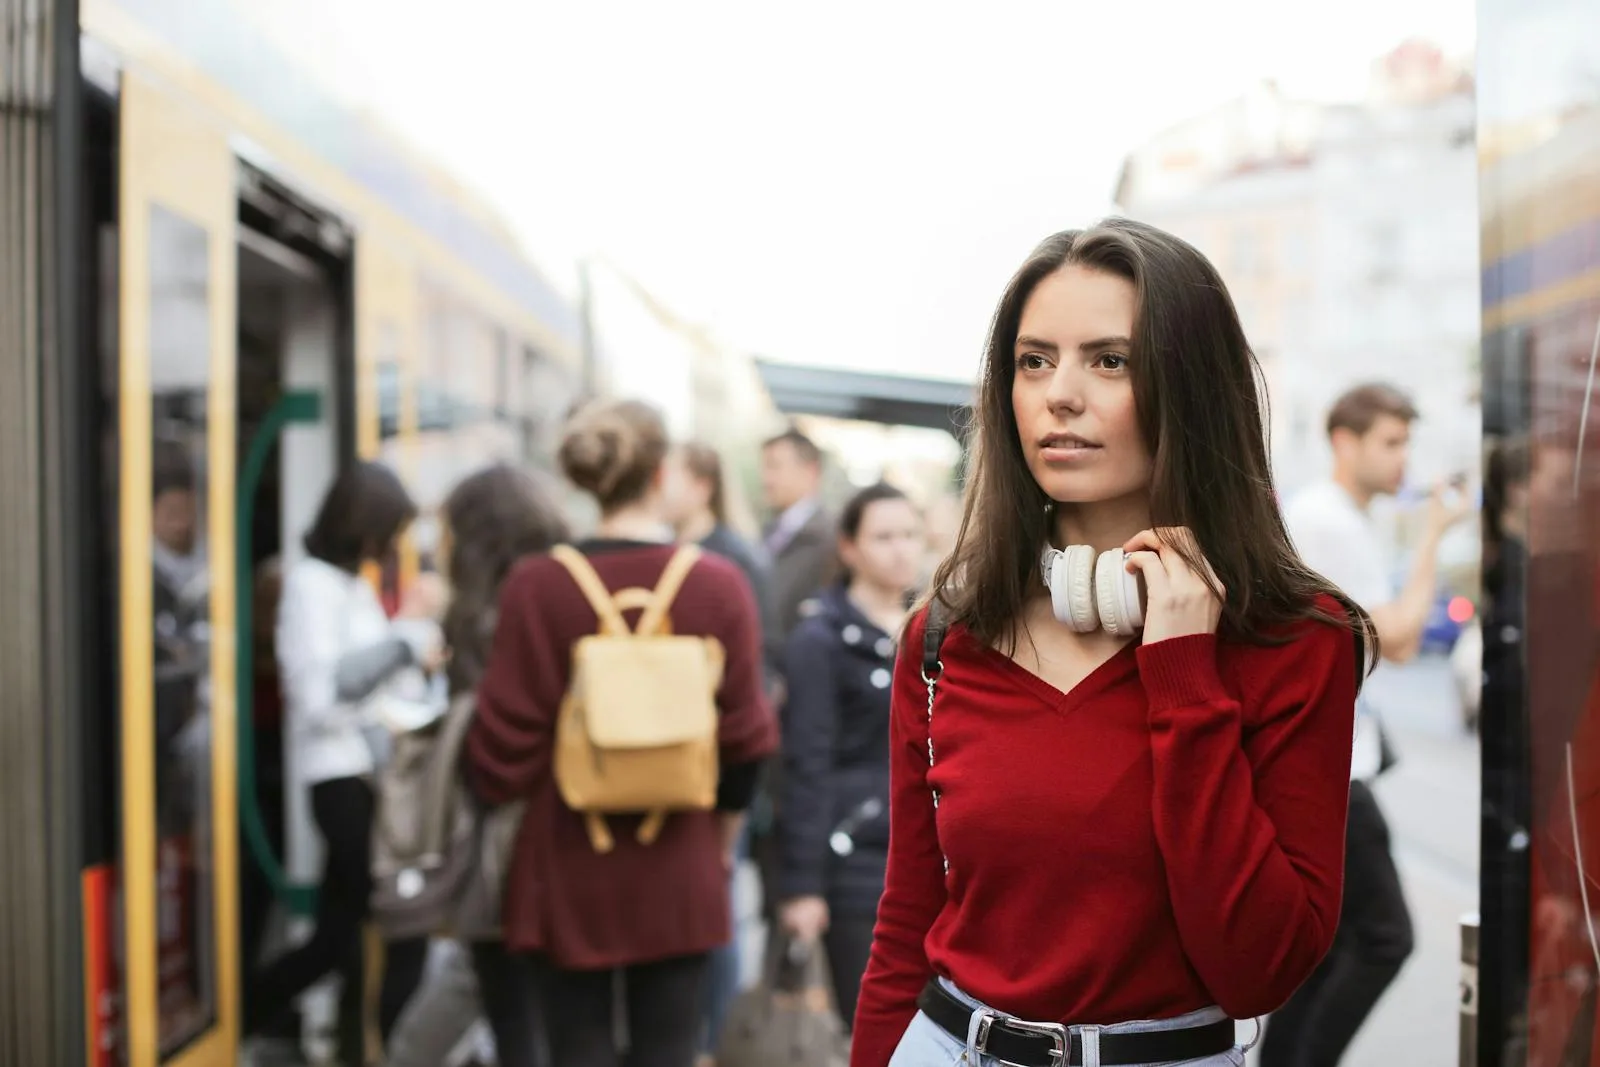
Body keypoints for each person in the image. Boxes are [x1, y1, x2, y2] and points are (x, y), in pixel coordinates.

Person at [851, 218, 1371, 1067]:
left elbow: (1260, 969)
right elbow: (908, 919)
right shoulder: (946, 633)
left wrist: (1184, 678)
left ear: (1190, 385)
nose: (1060, 393)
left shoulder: (1295, 639)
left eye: (1109, 359)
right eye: (1033, 360)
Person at [465, 399, 779, 1067]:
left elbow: (498, 750)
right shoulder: (718, 585)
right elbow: (748, 739)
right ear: (661, 472)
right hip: (682, 854)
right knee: (669, 1048)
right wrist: (720, 844)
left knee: (575, 1048)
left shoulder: (536, 584)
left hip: (565, 857)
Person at [1264, 383, 1469, 1066]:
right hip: (1336, 773)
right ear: (1344, 442)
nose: (1403, 457)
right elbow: (1398, 637)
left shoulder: (1334, 518)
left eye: (1407, 441)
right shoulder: (1331, 520)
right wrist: (1434, 534)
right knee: (1385, 938)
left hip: (1328, 767)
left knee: (1333, 942)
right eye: (1390, 441)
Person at [244, 461, 446, 1064]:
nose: (388, 550)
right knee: (399, 924)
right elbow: (321, 693)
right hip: (342, 782)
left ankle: (254, 1013)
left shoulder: (350, 587)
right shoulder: (310, 587)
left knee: (340, 935)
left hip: (366, 775)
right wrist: (405, 643)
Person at [383, 463, 571, 1067]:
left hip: (501, 842)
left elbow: (494, 741)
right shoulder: (566, 585)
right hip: (568, 837)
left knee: (502, 1000)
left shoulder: (488, 612)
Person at [777, 482, 923, 1030]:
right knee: (872, 1027)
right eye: (883, 537)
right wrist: (802, 887)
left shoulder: (937, 628)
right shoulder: (819, 639)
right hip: (855, 861)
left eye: (909, 534)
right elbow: (805, 764)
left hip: (937, 857)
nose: (900, 549)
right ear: (849, 547)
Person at [660, 441, 773, 1065]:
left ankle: (716, 1042)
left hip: (722, 761)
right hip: (679, 757)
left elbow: (755, 672)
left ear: (701, 484)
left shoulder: (731, 560)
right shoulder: (685, 553)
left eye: (669, 475)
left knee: (719, 901)